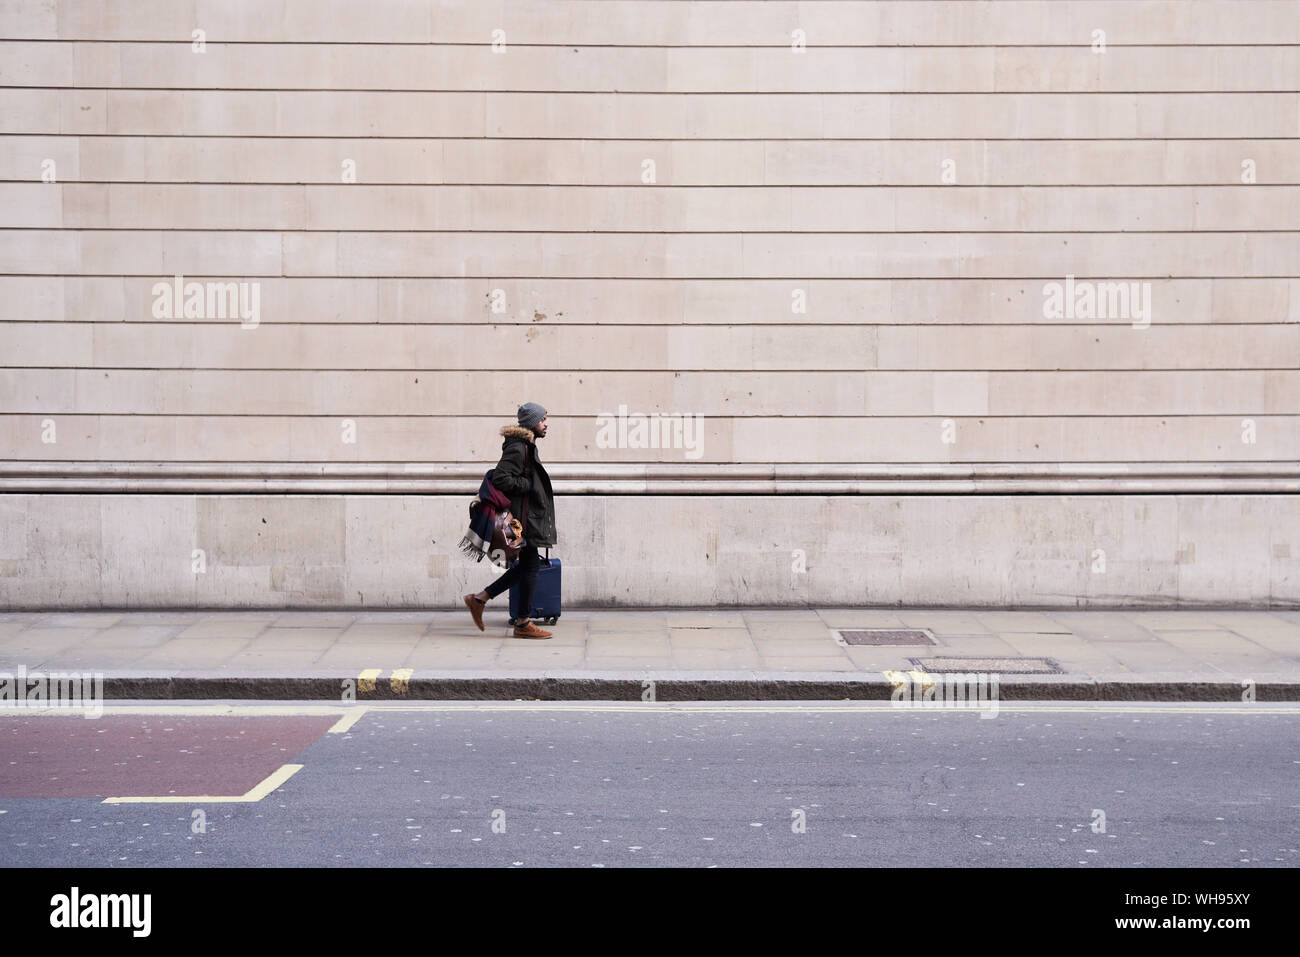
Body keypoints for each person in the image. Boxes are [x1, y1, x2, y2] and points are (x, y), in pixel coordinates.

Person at [463, 403, 556, 639]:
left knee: (527, 566)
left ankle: (480, 599)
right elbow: (502, 478)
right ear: (532, 422)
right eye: (542, 419)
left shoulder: (527, 446)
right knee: (530, 566)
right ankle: (522, 622)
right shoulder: (518, 448)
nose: (546, 424)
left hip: (526, 519)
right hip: (521, 522)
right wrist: (530, 486)